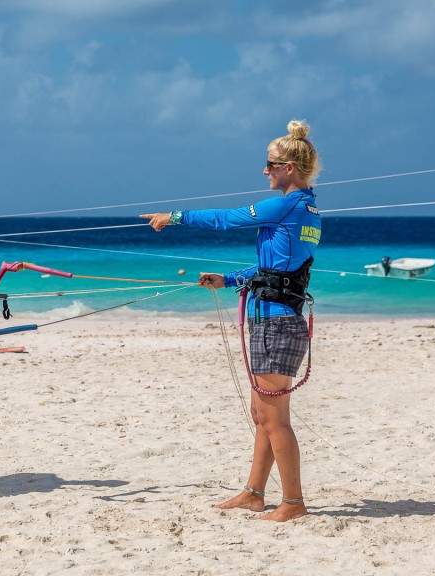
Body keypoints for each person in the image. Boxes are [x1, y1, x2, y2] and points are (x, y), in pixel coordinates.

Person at [140, 119, 321, 522]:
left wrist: (174, 216)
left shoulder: (287, 204)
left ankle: (292, 502)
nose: (265, 171)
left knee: (276, 419)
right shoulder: (307, 208)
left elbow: (228, 218)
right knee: (262, 416)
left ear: (289, 168)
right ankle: (255, 493)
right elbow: (277, 269)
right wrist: (229, 280)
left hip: (277, 324)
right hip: (273, 316)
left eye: (270, 164)